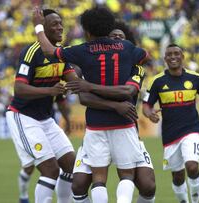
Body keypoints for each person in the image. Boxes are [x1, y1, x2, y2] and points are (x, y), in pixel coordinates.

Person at [33, 7, 150, 203]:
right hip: (124, 122)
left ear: (87, 30)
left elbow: (48, 50)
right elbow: (145, 56)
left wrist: (38, 25)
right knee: (127, 175)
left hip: (96, 124)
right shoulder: (127, 47)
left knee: (98, 179)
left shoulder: (83, 50)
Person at [65, 20, 156, 203]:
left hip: (126, 131)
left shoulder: (136, 68)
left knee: (148, 185)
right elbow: (84, 98)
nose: (115, 40)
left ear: (126, 44)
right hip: (97, 130)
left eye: (120, 38)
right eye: (112, 37)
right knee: (78, 184)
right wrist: (115, 105)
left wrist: (89, 87)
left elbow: (128, 91)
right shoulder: (92, 65)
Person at [6, 9, 77, 203]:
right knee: (50, 170)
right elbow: (19, 88)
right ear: (42, 28)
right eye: (54, 24)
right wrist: (50, 91)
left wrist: (68, 119)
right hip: (23, 116)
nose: (60, 27)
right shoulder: (31, 52)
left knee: (72, 165)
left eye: (60, 23)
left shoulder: (61, 54)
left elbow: (72, 84)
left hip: (46, 119)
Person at [142, 44, 199, 203]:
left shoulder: (195, 78)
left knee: (192, 166)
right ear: (165, 59)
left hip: (191, 130)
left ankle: (195, 201)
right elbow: (146, 105)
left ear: (182, 57)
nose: (173, 57)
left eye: (176, 53)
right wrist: (150, 114)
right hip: (170, 134)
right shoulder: (157, 81)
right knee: (177, 176)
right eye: (169, 54)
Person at [17, 96, 72, 203]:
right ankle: (23, 196)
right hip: (28, 124)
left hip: (48, 122)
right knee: (29, 168)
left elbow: (60, 99)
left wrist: (67, 120)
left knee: (65, 165)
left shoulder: (56, 81)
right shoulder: (31, 82)